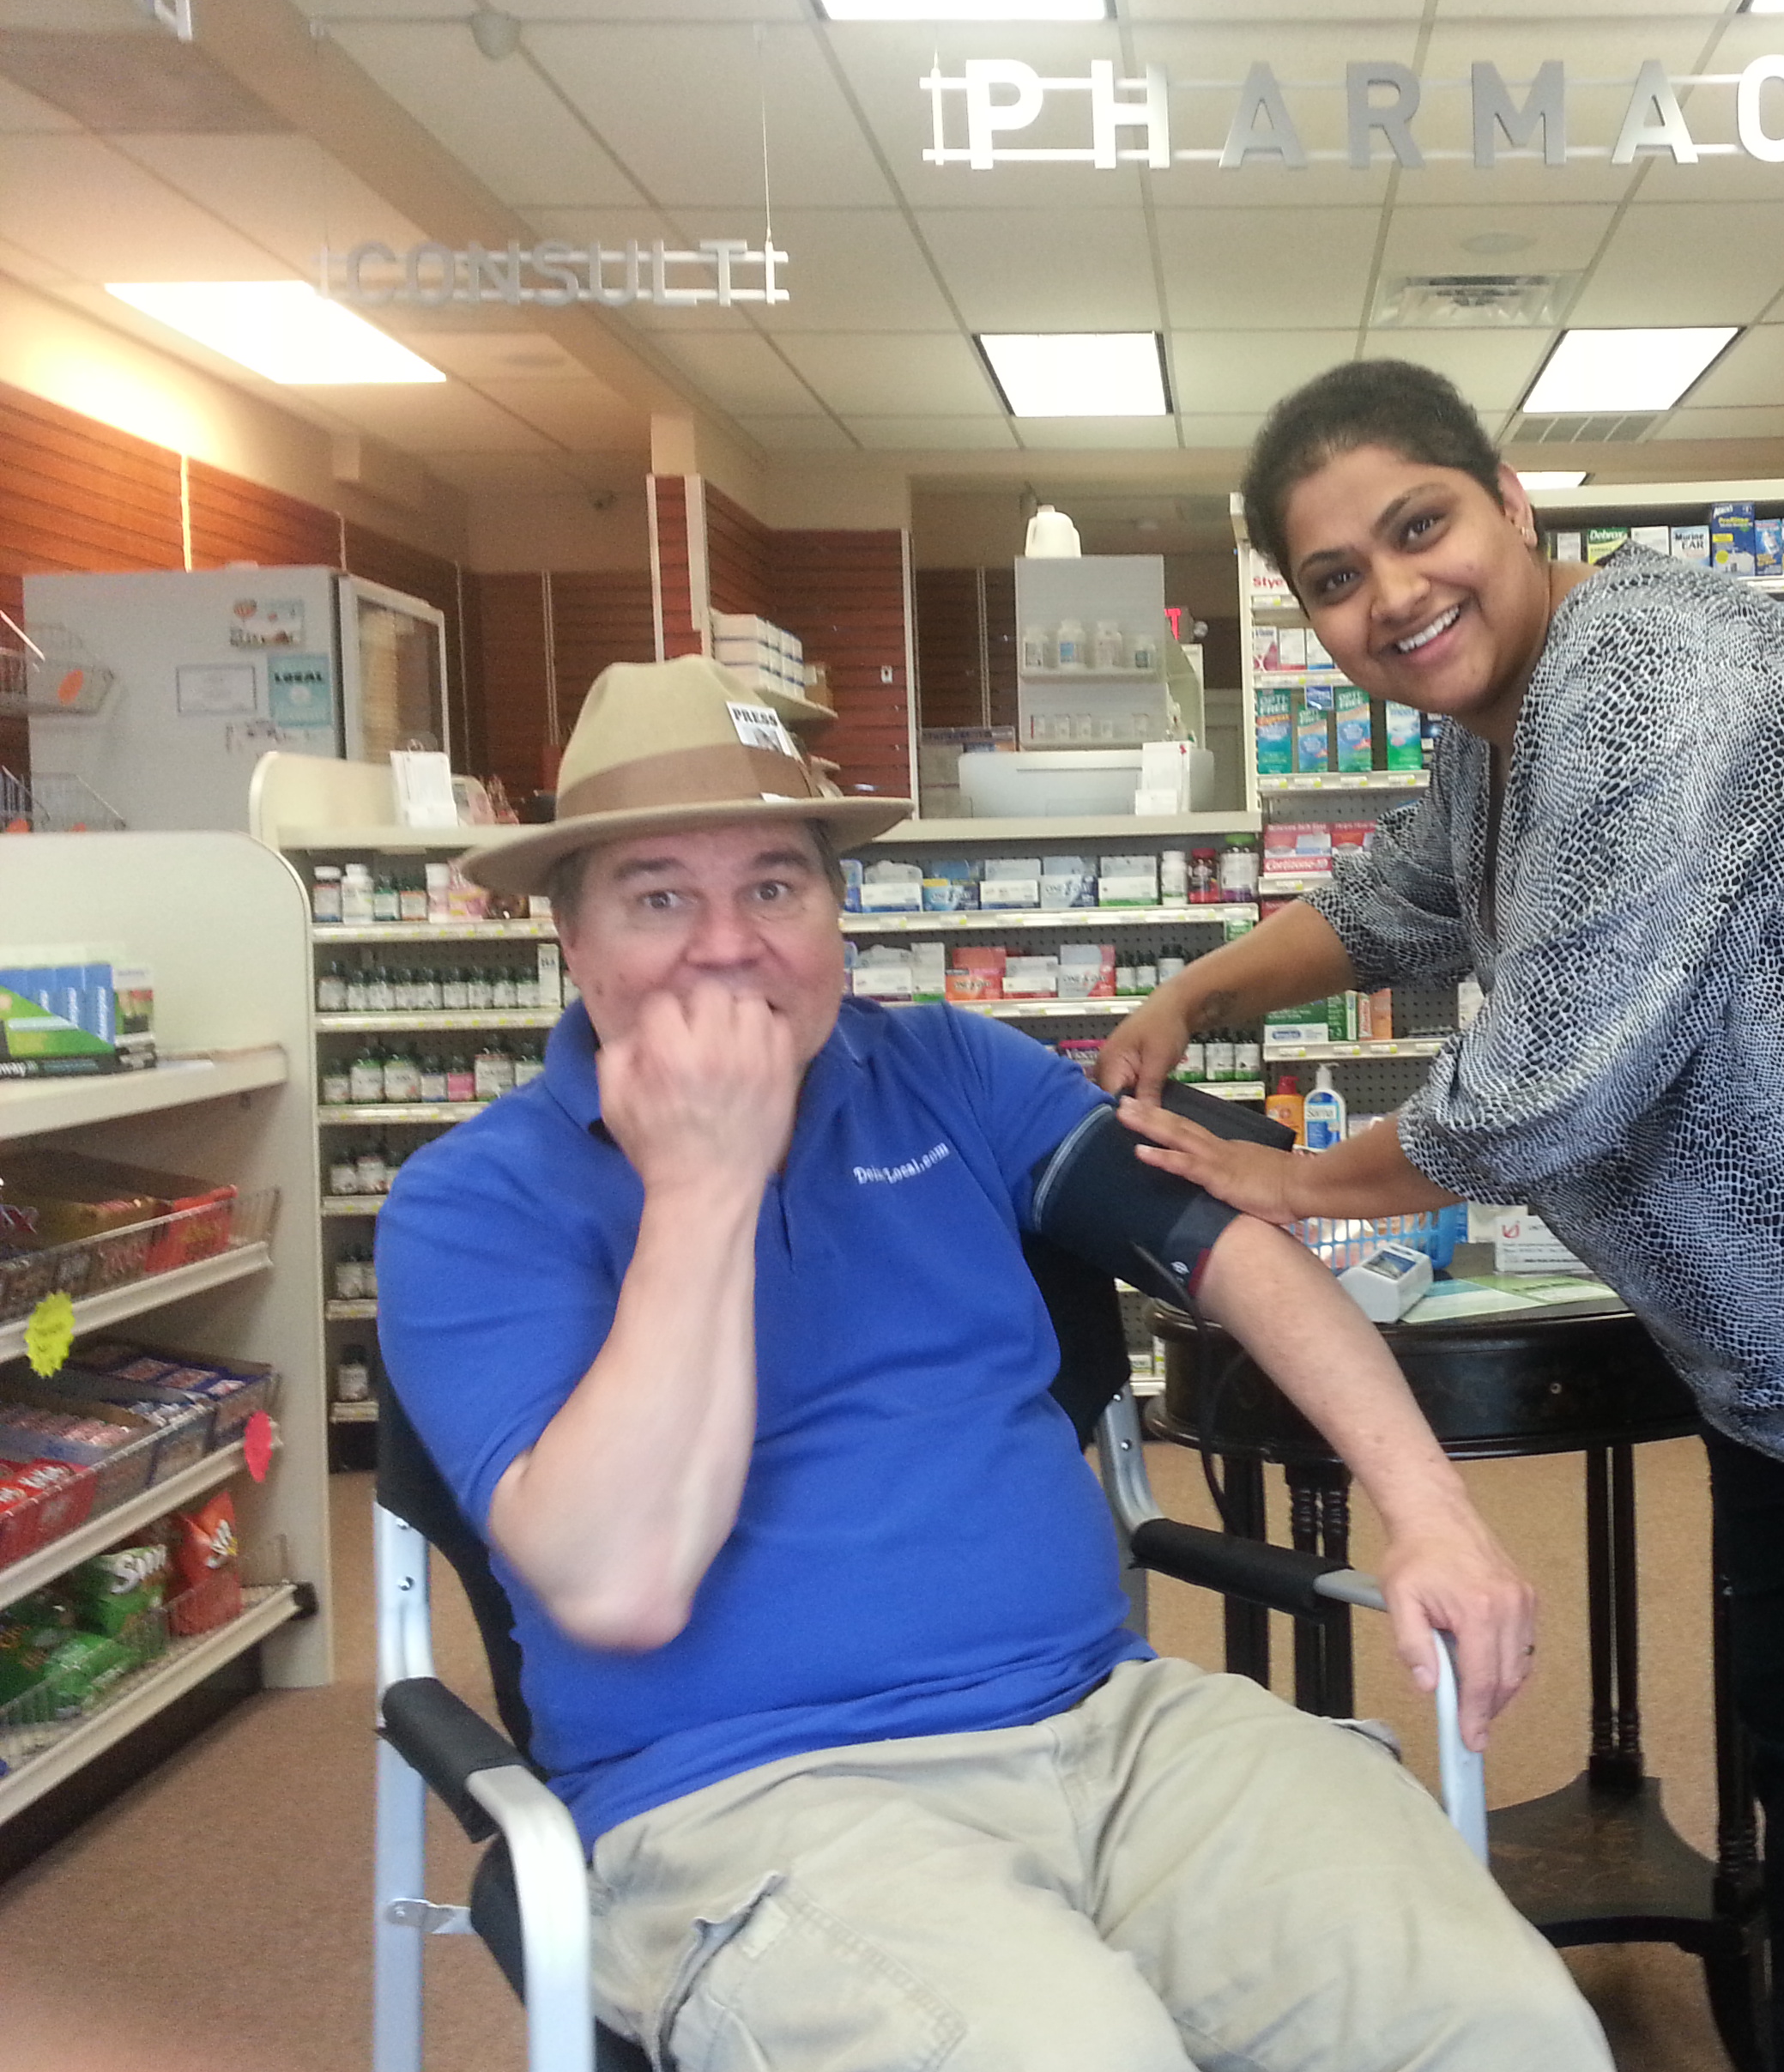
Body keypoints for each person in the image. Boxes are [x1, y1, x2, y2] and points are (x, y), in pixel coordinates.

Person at [1097, 361, 1784, 2072]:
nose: (1392, 593)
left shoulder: (1657, 674)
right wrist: (1194, 996)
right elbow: (1386, 901)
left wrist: (1289, 1181)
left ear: (1512, 502)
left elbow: (1548, 1084)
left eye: (1420, 526)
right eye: (1335, 576)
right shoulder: (1495, 740)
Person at [378, 657, 1611, 2072]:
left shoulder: (953, 1072)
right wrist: (704, 1184)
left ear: (834, 911)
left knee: (1509, 2032)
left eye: (775, 886)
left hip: (1117, 1728)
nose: (729, 946)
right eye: (659, 897)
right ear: (571, 936)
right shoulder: (473, 1204)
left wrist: (1435, 1515)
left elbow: (1233, 1251)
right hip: (746, 1799)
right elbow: (620, 1586)